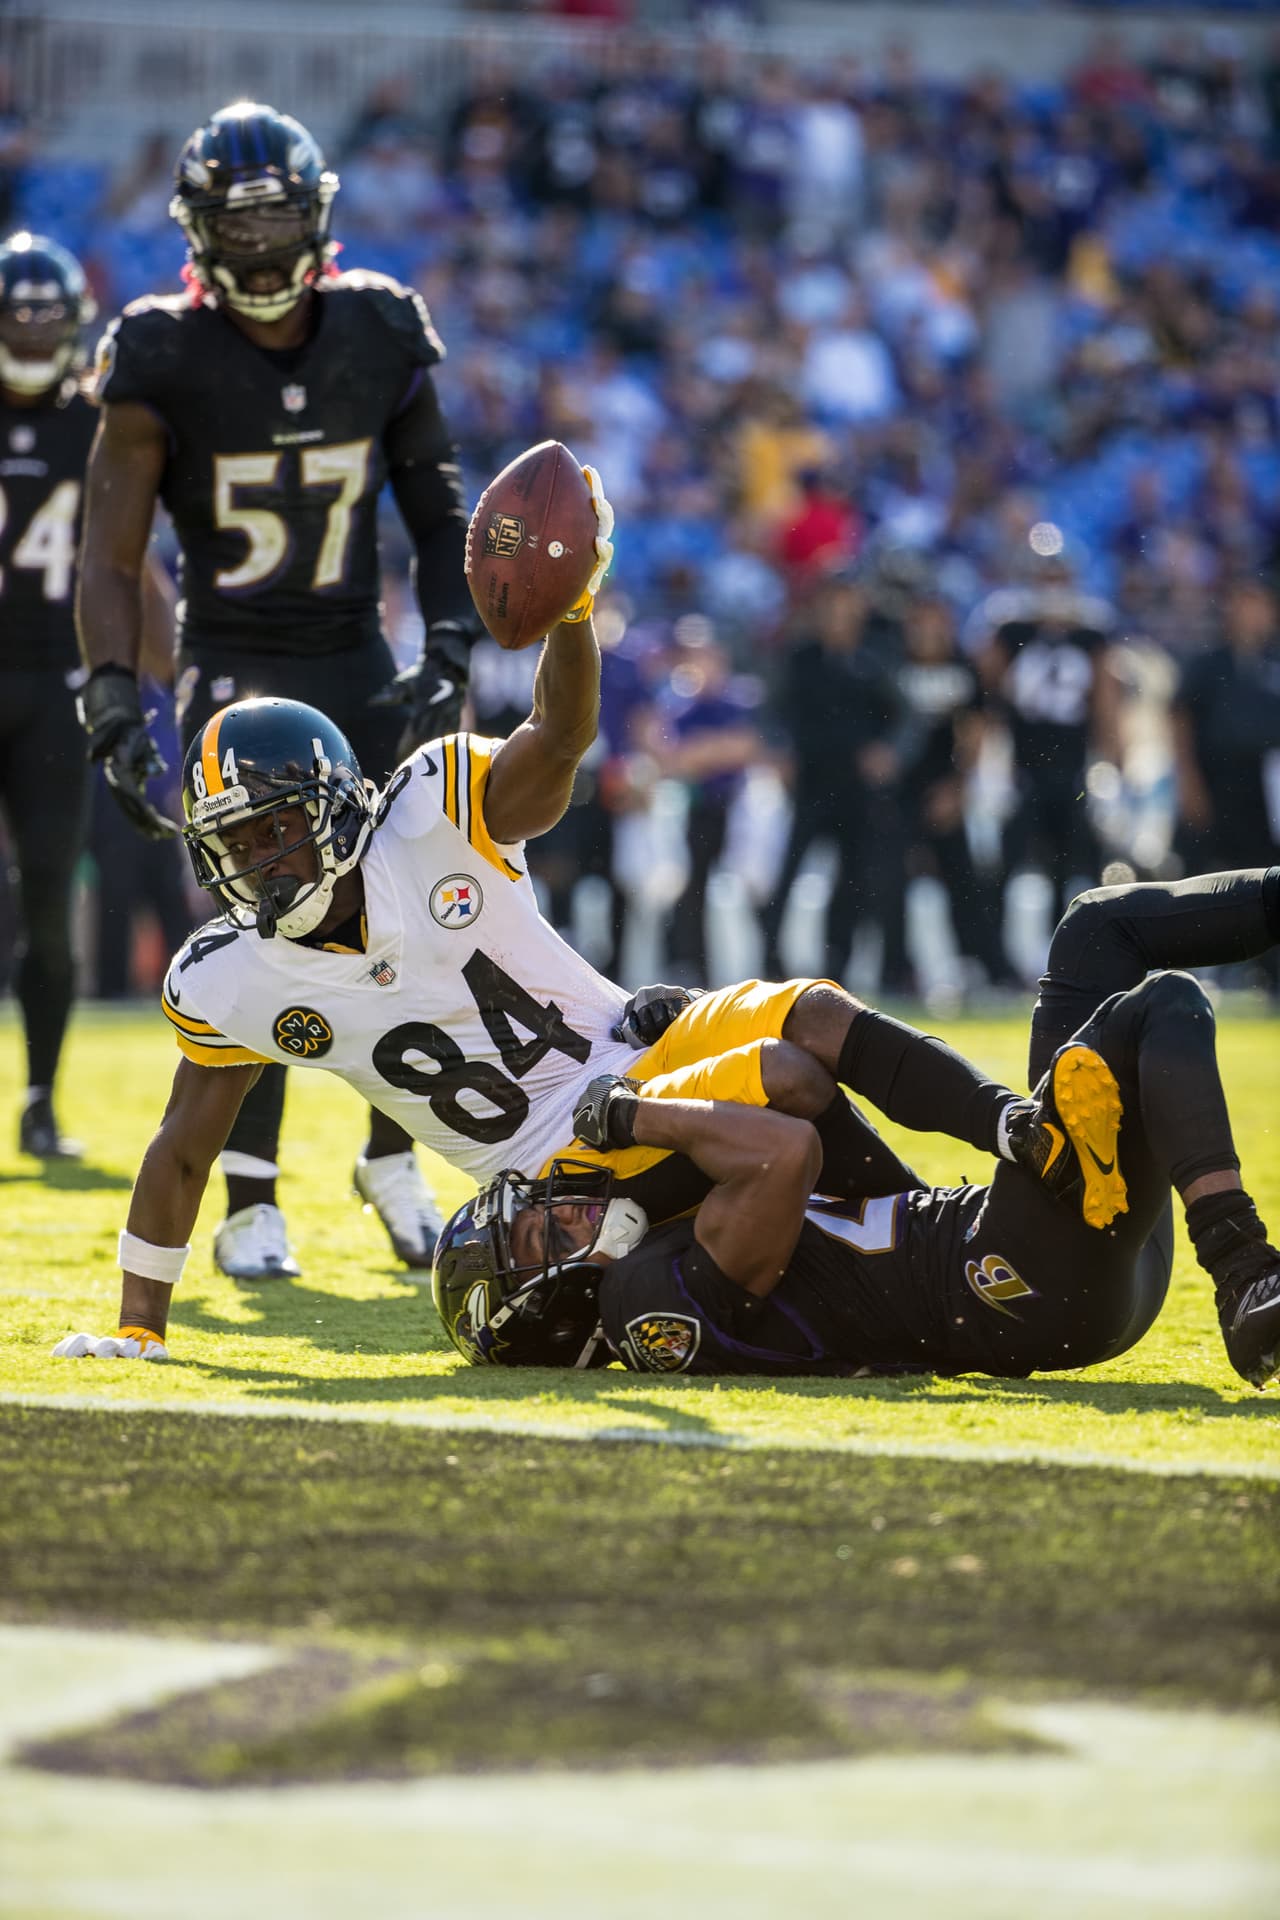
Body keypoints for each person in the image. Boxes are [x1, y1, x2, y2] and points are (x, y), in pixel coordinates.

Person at [74, 100, 481, 1279]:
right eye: (237, 223)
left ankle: (390, 1153)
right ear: (199, 230)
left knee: (408, 907)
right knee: (260, 922)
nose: (260, 247)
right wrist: (112, 690)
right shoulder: (158, 349)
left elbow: (436, 502)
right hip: (233, 661)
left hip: (356, 651)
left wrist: (448, 636)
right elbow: (110, 551)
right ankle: (252, 1196)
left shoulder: (379, 328)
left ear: (319, 218)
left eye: (279, 218)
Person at [431, 869, 1280, 1391]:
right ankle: (1243, 1268)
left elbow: (796, 1080)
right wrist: (635, 1113)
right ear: (551, 1311)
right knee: (1159, 1007)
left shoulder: (668, 1233)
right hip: (1012, 1281)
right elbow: (784, 1152)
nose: (556, 1203)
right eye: (539, 1233)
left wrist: (693, 1027)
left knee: (1100, 928)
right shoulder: (642, 1299)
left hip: (1032, 1244)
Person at [0, 232, 168, 1159]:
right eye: (16, 315)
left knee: (49, 905)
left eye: (45, 315)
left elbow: (129, 566)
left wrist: (180, 673)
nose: (31, 331)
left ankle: (38, 1095)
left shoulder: (96, 422)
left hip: (56, 684)